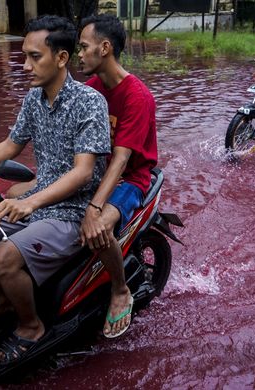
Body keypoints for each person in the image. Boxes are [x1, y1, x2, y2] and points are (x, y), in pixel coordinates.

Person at [0, 15, 110, 364]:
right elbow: (11, 146)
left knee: (5, 258)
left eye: (34, 57)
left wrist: (30, 201)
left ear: (62, 58)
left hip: (74, 210)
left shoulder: (89, 102)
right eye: (24, 56)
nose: (25, 66)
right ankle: (7, 303)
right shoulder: (33, 99)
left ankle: (31, 326)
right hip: (38, 202)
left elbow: (83, 173)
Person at [77, 14, 158, 338]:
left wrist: (95, 208)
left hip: (130, 179)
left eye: (84, 47)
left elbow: (122, 159)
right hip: (96, 172)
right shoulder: (91, 89)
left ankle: (120, 288)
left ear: (105, 48)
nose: (79, 54)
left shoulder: (137, 97)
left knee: (98, 228)